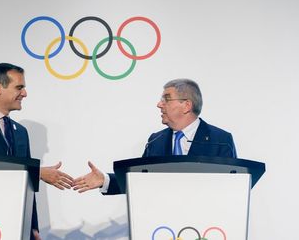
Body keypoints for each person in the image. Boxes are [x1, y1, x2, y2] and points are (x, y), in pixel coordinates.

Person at [0, 63, 74, 240]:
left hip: (19, 225)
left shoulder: (20, 131)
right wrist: (38, 173)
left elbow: (28, 188)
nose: (25, 93)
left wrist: (33, 227)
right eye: (19, 87)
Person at [73, 78, 237, 195]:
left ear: (187, 105)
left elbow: (233, 188)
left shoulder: (220, 140)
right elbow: (140, 181)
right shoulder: (155, 141)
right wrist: (105, 180)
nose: (159, 104)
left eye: (166, 99)